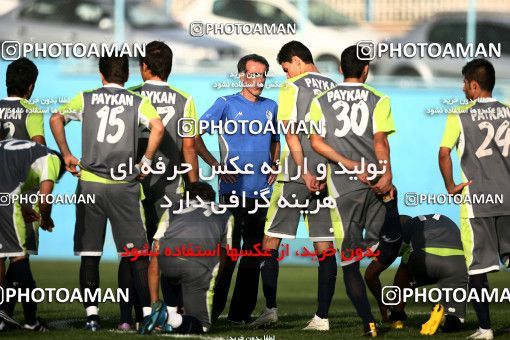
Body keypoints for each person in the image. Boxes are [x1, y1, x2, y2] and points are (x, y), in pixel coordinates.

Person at [50, 54, 164, 331]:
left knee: (90, 254)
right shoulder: (137, 101)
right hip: (124, 185)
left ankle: (92, 316)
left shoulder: (86, 97)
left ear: (101, 74)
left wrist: (66, 155)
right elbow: (158, 128)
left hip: (90, 183)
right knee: (136, 254)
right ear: (127, 76)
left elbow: (55, 119)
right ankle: (147, 315)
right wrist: (145, 161)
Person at [309, 45, 396, 336]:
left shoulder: (322, 100)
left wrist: (346, 163)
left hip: (343, 190)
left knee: (349, 262)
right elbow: (380, 141)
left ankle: (369, 322)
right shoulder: (379, 99)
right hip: (374, 185)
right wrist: (387, 174)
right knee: (380, 244)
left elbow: (316, 143)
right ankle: (393, 308)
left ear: (339, 70)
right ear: (366, 70)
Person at [251, 41, 337, 330]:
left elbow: (290, 133)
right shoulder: (334, 86)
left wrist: (303, 172)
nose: (286, 76)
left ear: (297, 61)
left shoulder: (292, 88)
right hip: (327, 174)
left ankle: (271, 310)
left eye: (287, 69)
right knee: (325, 246)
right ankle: (322, 318)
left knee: (270, 241)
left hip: (295, 174)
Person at [120, 40, 199, 331]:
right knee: (166, 252)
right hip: (170, 186)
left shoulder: (128, 96)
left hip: (132, 185)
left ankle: (129, 318)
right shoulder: (185, 99)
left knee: (132, 252)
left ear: (144, 67)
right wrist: (195, 186)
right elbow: (189, 147)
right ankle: (172, 313)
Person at [195, 54, 280, 324]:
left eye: (263, 74)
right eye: (253, 74)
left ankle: (239, 314)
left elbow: (275, 140)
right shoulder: (225, 103)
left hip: (261, 193)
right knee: (228, 254)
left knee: (253, 255)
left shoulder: (271, 106)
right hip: (232, 193)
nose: (259, 80)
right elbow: (195, 135)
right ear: (242, 76)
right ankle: (212, 310)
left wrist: (275, 164)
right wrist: (217, 166)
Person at [439, 58, 510, 340]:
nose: (463, 88)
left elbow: (444, 153)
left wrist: (450, 186)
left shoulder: (459, 115)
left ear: (474, 85)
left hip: (477, 202)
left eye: (465, 83)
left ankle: (485, 328)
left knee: (477, 265)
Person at [140, 182, 234, 334]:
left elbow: (156, 258)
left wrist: (154, 302)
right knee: (202, 326)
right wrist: (213, 280)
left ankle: (164, 315)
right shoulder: (226, 214)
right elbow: (222, 256)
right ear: (212, 199)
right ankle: (168, 318)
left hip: (170, 267)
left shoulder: (172, 209)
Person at [0, 139, 65, 332]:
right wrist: (45, 218)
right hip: (6, 199)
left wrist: (25, 207)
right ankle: (30, 320)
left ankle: (3, 315)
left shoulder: (18, 149)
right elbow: (44, 197)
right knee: (19, 257)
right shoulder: (52, 159)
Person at [0, 57, 46, 289]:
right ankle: (25, 317)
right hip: (23, 193)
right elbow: (38, 149)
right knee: (19, 255)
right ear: (30, 87)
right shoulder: (32, 111)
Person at [387, 214, 468, 335]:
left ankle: (397, 313)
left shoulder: (409, 224)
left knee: (404, 264)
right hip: (457, 264)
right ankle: (446, 319)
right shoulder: (446, 219)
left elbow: (393, 252)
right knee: (455, 320)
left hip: (427, 260)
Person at [364, 188, 402, 323]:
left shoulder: (384, 187)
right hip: (383, 238)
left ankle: (397, 312)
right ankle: (385, 305)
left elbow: (392, 191)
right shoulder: (359, 190)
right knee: (369, 276)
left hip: (397, 237)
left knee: (404, 276)